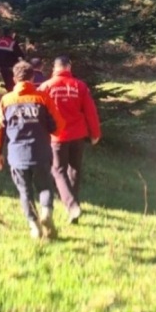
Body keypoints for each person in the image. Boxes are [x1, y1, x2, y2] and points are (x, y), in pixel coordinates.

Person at [0, 61, 65, 239]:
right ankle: (46, 213)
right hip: (40, 153)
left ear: (15, 79)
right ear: (32, 78)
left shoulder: (6, 100)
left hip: (17, 156)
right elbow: (58, 125)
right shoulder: (43, 98)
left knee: (25, 192)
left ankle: (34, 226)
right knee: (45, 187)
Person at [37, 56, 101, 224]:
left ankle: (72, 206)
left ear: (54, 68)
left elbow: (39, 113)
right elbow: (90, 112)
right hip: (78, 135)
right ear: (69, 68)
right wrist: (95, 134)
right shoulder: (80, 86)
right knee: (74, 170)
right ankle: (74, 208)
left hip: (57, 136)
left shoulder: (46, 87)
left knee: (58, 170)